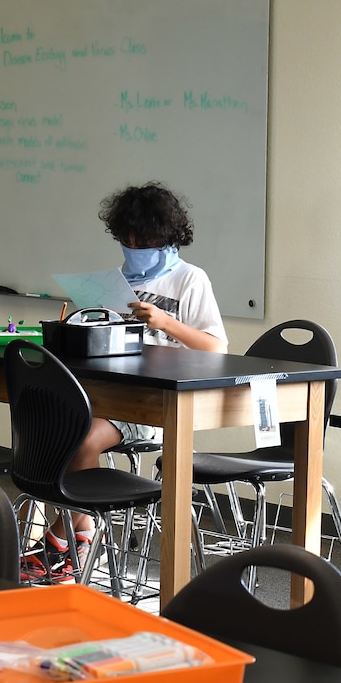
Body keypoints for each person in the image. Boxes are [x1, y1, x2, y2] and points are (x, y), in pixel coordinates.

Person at [34, 182, 228, 581]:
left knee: (83, 438)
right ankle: (72, 533)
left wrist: (166, 322)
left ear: (166, 237)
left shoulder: (190, 280)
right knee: (51, 425)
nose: (133, 247)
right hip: (112, 396)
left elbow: (216, 349)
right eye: (127, 240)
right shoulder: (118, 281)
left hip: (157, 406)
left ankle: (79, 540)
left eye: (143, 241)